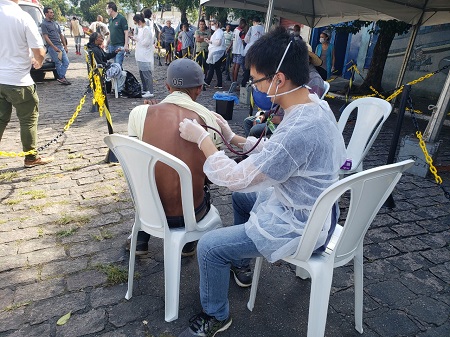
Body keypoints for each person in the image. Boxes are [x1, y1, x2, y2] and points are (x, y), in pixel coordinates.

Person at [177, 27, 346, 337]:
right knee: (244, 202)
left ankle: (216, 316)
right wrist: (230, 137)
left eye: (256, 80)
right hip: (316, 208)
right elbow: (272, 153)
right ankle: (241, 264)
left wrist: (202, 138)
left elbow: (235, 178)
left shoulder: (298, 128)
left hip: (302, 225)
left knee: (209, 247)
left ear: (278, 79)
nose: (255, 86)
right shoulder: (312, 104)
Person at [127, 58, 224, 255]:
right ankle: (188, 242)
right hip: (192, 215)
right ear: (199, 89)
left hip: (151, 212)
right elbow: (212, 175)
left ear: (167, 86)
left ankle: (141, 237)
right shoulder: (209, 118)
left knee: (149, 175)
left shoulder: (139, 113)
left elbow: (135, 163)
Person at [0, 0, 54, 168]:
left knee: (0, 119)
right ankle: (31, 157)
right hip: (18, 79)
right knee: (28, 119)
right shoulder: (22, 16)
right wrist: (38, 61)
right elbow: (38, 50)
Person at [42, 7, 70, 85]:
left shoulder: (55, 23)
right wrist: (53, 47)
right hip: (52, 47)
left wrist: (65, 46)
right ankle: (62, 78)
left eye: (52, 12)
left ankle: (61, 77)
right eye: (50, 12)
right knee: (58, 63)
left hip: (60, 45)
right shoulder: (44, 24)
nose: (52, 14)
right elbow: (46, 37)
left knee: (66, 62)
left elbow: (61, 35)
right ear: (46, 14)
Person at [131, 14, 154, 98]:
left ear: (139, 21)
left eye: (136, 23)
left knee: (147, 74)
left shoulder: (146, 30)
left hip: (145, 56)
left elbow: (146, 43)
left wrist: (136, 39)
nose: (136, 25)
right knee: (142, 74)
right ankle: (145, 89)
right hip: (140, 55)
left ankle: (150, 90)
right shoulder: (141, 29)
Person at [241, 16, 264, 87]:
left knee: (247, 68)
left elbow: (246, 39)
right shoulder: (263, 29)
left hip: (250, 50)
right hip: (260, 51)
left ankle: (244, 83)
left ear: (254, 22)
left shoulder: (251, 28)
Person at [204, 19, 226, 90]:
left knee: (212, 67)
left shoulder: (219, 32)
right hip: (216, 52)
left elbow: (218, 42)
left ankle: (207, 82)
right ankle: (219, 84)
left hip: (216, 52)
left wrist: (210, 41)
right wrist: (209, 42)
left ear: (217, 24)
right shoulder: (217, 32)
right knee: (217, 68)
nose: (211, 26)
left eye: (213, 24)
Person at [106, 2, 129, 66]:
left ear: (111, 9)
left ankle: (119, 75)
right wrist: (107, 43)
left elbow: (126, 32)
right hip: (112, 45)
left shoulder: (122, 18)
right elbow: (110, 33)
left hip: (119, 45)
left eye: (107, 8)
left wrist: (126, 44)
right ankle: (118, 75)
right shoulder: (110, 20)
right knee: (115, 64)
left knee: (118, 65)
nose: (106, 10)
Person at [230, 19, 246, 83]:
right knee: (237, 67)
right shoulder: (241, 32)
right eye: (244, 25)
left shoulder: (235, 30)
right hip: (240, 50)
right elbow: (244, 41)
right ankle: (235, 81)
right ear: (242, 24)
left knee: (234, 66)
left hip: (234, 50)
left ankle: (233, 80)